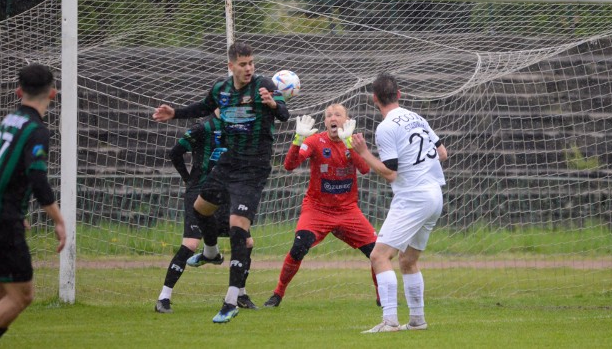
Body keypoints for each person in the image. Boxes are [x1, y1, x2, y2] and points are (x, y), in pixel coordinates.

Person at [153, 41, 289, 323]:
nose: (249, 68)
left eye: (251, 62)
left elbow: (284, 115)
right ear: (231, 66)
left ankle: (231, 300)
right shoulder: (221, 89)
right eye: (243, 64)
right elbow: (203, 107)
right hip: (229, 161)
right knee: (201, 208)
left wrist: (273, 104)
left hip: (253, 167)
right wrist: (174, 113)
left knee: (239, 228)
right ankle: (211, 252)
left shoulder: (264, 85)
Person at [351, 72, 447, 333]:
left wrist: (363, 153)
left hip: (414, 196)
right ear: (399, 94)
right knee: (408, 260)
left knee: (379, 255)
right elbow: (442, 152)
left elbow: (390, 172)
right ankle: (417, 321)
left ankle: (390, 321)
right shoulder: (417, 117)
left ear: (374, 99)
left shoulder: (386, 127)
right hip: (434, 194)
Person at [263, 104, 380, 308]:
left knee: (377, 253)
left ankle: (382, 299)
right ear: (325, 122)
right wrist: (298, 140)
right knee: (299, 247)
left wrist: (349, 144)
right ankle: (277, 293)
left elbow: (364, 169)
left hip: (347, 211)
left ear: (347, 119)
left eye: (338, 114)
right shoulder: (315, 141)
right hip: (317, 210)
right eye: (328, 116)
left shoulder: (354, 141)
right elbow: (289, 165)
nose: (333, 118)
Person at [0, 64, 66, 347]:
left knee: (3, 290)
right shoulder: (36, 130)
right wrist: (58, 219)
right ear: (53, 94)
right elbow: (37, 177)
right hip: (2, 217)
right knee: (22, 296)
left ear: (18, 91)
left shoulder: (9, 121)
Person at [154, 110, 258, 313]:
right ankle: (163, 298)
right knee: (191, 243)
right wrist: (188, 179)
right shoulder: (203, 127)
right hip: (199, 191)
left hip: (225, 192)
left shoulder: (239, 127)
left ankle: (240, 294)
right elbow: (175, 152)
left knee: (246, 242)